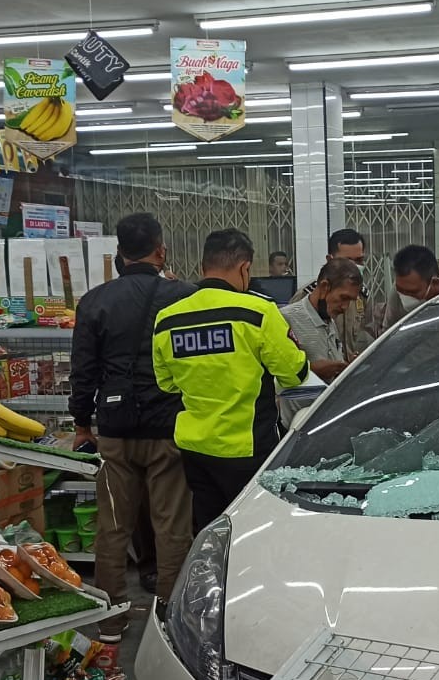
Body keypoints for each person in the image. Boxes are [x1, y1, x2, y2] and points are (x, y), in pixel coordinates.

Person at [70, 213, 195, 633]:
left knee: (113, 528)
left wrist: (82, 424)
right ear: (161, 250)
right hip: (169, 429)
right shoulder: (183, 296)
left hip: (116, 431)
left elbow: (83, 371)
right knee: (171, 528)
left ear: (118, 253)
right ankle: (169, 619)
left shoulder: (95, 301)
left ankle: (110, 620)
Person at [153, 228, 308, 531]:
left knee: (211, 531)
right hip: (247, 448)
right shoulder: (258, 312)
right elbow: (294, 373)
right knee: (252, 531)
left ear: (203, 268)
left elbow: (166, 383)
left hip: (195, 449)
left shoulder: (168, 318)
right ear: (244, 268)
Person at [279, 259, 361, 426]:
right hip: (296, 428)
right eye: (343, 298)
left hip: (327, 422)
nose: (345, 307)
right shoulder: (285, 319)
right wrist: (312, 371)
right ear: (324, 287)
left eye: (350, 301)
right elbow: (273, 375)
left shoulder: (329, 320)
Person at [393, 245, 439, 313]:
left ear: (435, 283)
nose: (405, 296)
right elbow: (389, 324)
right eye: (400, 290)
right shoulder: (398, 289)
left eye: (413, 292)